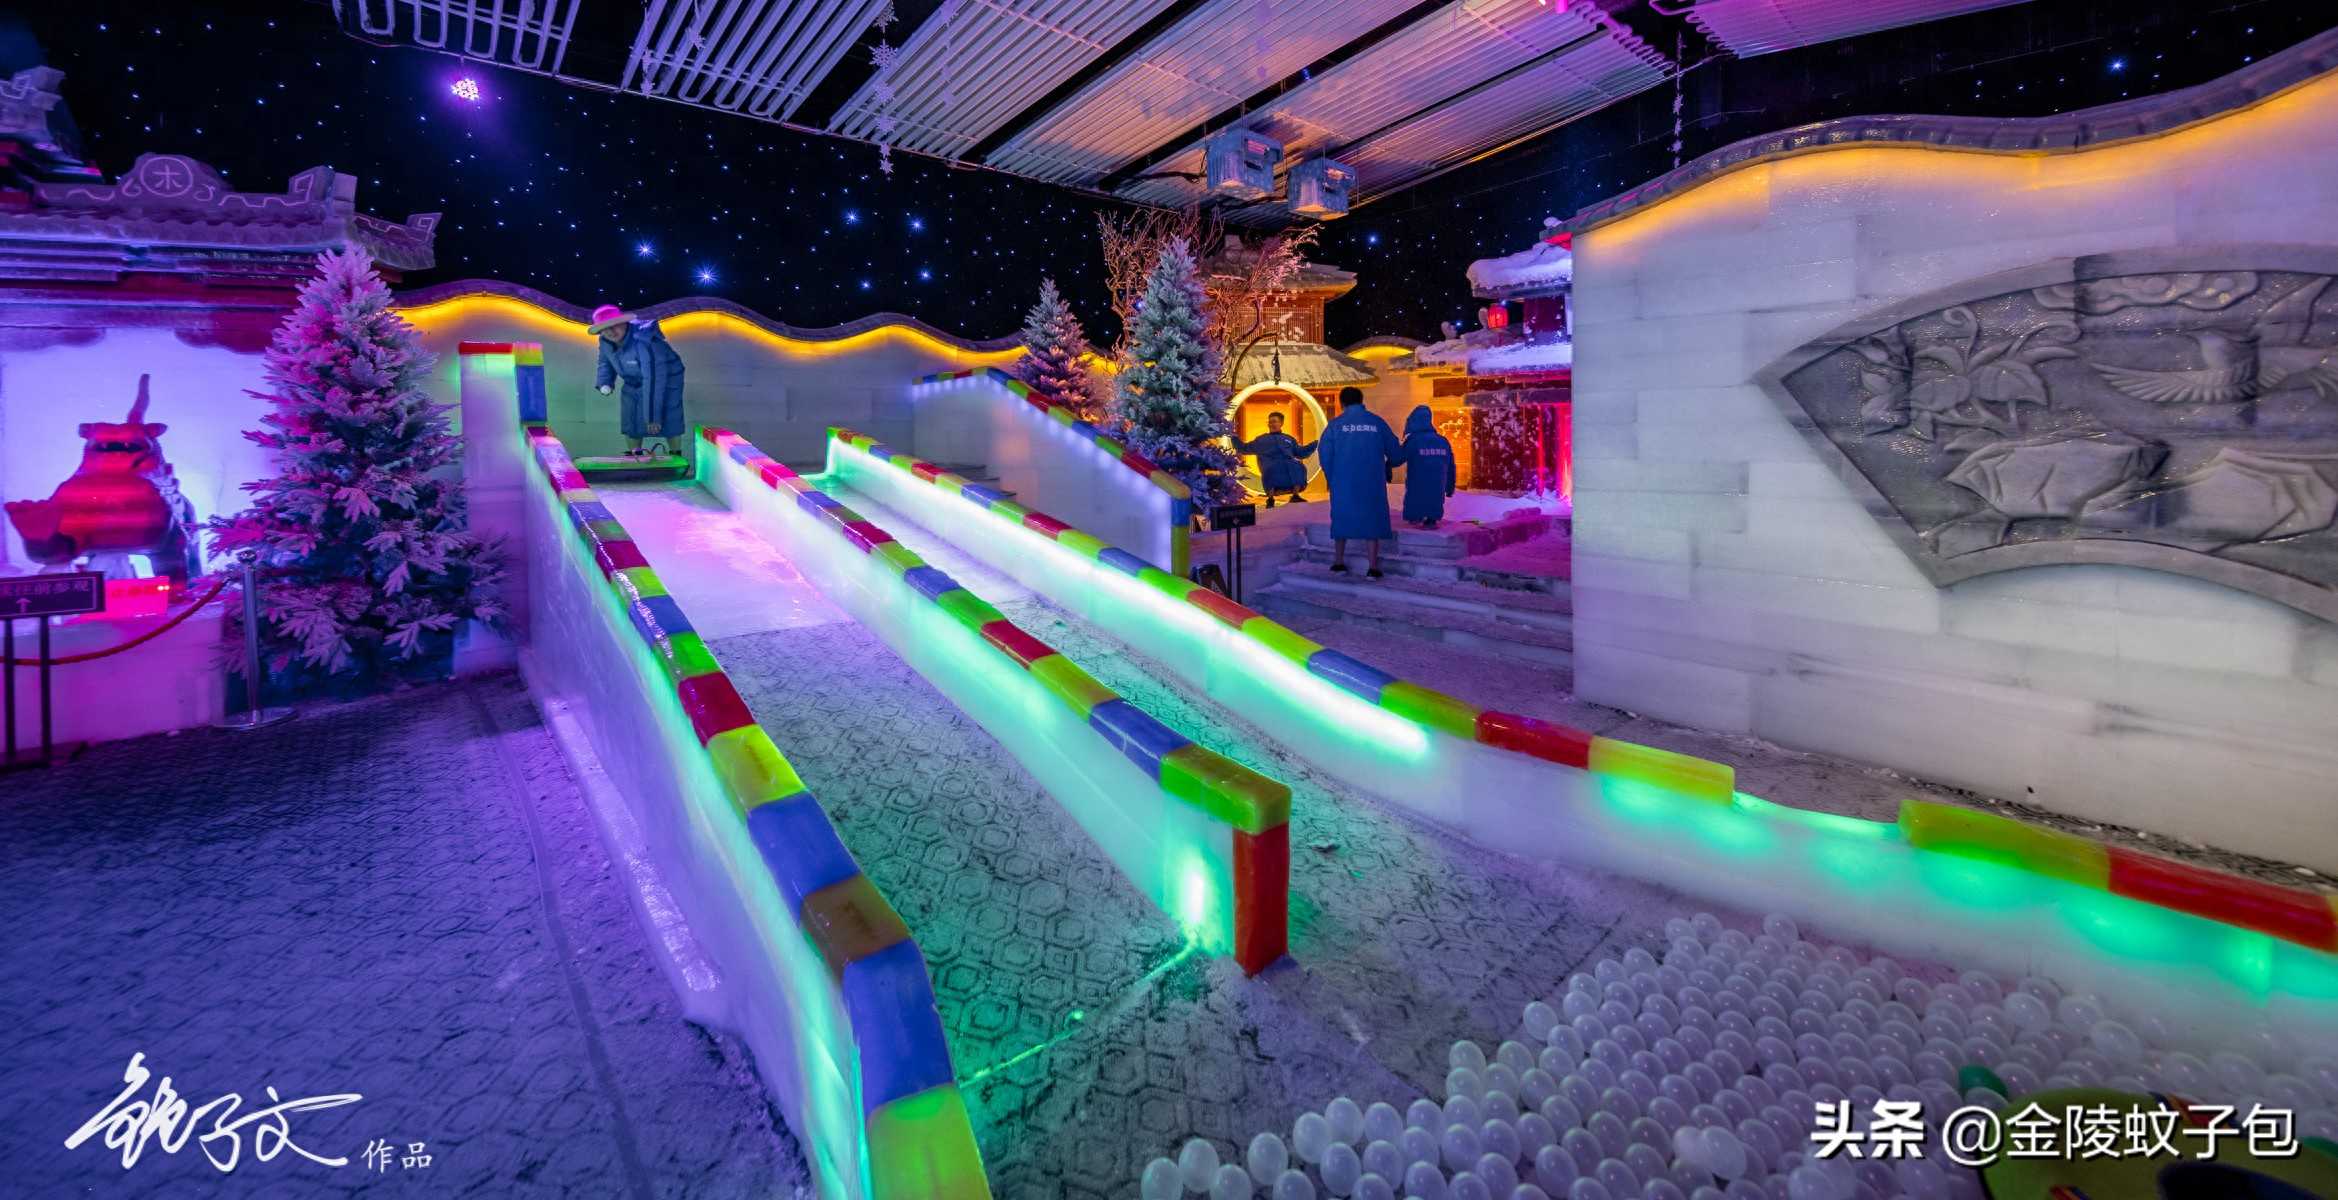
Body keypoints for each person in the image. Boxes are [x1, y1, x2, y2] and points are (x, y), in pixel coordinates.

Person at [1316, 386, 1400, 578]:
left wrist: (1333, 477)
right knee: (1372, 519)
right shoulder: (1377, 422)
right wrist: (1389, 464)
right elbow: (1395, 452)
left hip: (1343, 482)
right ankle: (1373, 567)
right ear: (1361, 401)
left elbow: (1325, 454)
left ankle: (1338, 562)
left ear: (1342, 403)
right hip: (1372, 481)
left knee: (1341, 518)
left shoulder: (1335, 425)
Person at [591, 303, 686, 457]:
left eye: (614, 326)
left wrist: (652, 417)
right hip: (633, 379)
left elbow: (653, 379)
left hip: (665, 378)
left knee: (668, 414)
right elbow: (605, 362)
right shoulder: (605, 341)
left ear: (624, 323)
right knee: (630, 415)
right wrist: (605, 382)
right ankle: (635, 455)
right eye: (605, 328)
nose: (610, 332)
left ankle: (676, 456)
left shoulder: (644, 341)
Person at [1233, 411, 1315, 508]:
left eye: (1275, 421)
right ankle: (1270, 498)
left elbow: (1299, 452)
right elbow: (1244, 448)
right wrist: (1233, 436)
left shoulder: (1288, 438)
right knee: (1272, 469)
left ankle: (1295, 495)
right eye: (1270, 422)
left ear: (1281, 423)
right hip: (1270, 464)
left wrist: (1314, 445)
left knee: (1298, 466)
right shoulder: (1261, 439)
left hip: (1288, 463)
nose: (1272, 424)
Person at [1398, 405, 1456, 529]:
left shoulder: (1413, 441)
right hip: (1436, 493)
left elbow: (1398, 458)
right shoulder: (1443, 441)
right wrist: (1450, 488)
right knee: (1433, 508)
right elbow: (1451, 467)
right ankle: (1431, 521)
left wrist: (1385, 462)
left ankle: (1416, 521)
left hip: (1416, 491)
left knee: (1413, 522)